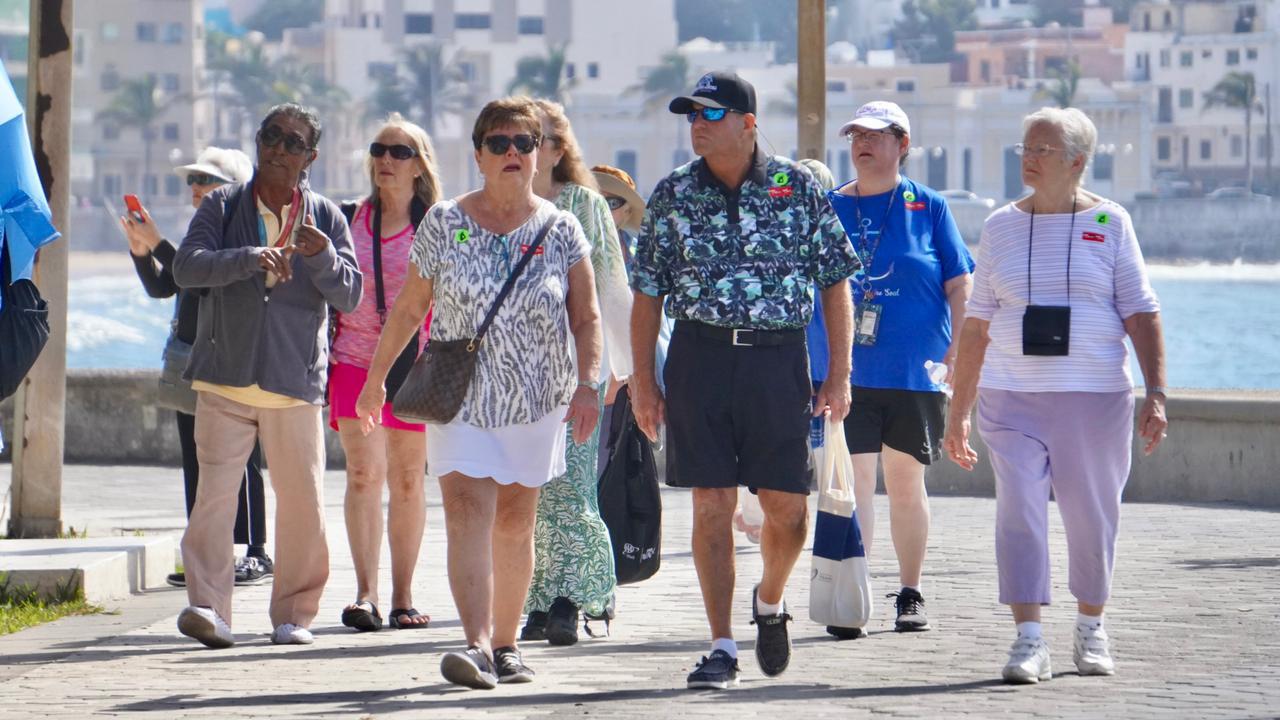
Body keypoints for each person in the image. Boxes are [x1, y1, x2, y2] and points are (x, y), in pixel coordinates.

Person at [355, 96, 602, 689]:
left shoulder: (562, 227)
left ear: (540, 154)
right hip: (459, 396)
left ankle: (508, 643)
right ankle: (475, 646)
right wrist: (373, 381)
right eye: (500, 143)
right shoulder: (444, 221)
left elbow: (586, 317)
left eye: (525, 143)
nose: (513, 153)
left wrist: (590, 384)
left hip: (537, 401)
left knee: (515, 524)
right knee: (466, 512)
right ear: (479, 155)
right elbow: (411, 308)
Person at [630, 71, 860, 690]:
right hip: (699, 360)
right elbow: (646, 293)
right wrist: (642, 384)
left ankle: (769, 599)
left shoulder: (797, 187)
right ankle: (722, 645)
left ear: (748, 122)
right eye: (691, 116)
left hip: (777, 362)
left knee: (788, 512)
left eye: (710, 114)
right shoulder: (674, 194)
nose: (697, 126)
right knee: (711, 505)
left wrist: (839, 373)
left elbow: (835, 279)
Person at [942, 107, 1168, 684]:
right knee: (1018, 510)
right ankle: (1028, 638)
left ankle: (1091, 626)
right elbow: (976, 325)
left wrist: (1157, 394)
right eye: (1026, 147)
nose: (1029, 157)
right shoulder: (1000, 227)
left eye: (1043, 149)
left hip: (1093, 398)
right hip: (1010, 394)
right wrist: (957, 410)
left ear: (1077, 162)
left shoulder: (1110, 223)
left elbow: (1142, 313)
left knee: (1092, 519)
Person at [172, 103, 363, 648]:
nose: (279, 148)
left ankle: (295, 615)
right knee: (213, 499)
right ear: (258, 142)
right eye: (271, 136)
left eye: (293, 142)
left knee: (302, 503)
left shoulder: (326, 217)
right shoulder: (223, 206)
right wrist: (251, 257)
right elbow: (187, 267)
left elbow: (350, 292)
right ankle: (209, 609)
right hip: (223, 377)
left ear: (311, 157)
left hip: (294, 384)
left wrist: (323, 257)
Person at [808, 101, 974, 635]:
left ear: (902, 144)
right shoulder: (828, 207)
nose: (863, 142)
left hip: (912, 369)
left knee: (905, 485)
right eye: (856, 133)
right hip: (843, 371)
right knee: (853, 483)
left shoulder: (930, 207)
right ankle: (853, 595)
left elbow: (959, 283)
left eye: (877, 135)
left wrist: (958, 352)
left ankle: (910, 591)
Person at [121, 147, 275, 589]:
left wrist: (158, 244)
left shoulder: (240, 232)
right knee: (196, 459)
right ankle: (207, 555)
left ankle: (257, 552)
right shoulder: (200, 230)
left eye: (205, 180)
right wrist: (140, 252)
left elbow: (204, 276)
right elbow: (166, 284)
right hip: (191, 357)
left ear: (231, 189)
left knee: (244, 457)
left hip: (231, 358)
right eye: (193, 181)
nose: (195, 188)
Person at [520, 99, 633, 646]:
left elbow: (611, 285)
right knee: (529, 491)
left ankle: (574, 596)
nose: (520, 149)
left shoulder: (585, 203)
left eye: (532, 138)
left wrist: (622, 370)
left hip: (577, 370)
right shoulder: (503, 205)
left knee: (571, 487)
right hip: (515, 374)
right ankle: (538, 601)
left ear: (557, 149)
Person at [331, 114, 441, 632]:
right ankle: (365, 594)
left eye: (399, 152)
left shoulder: (438, 225)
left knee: (406, 482)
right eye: (378, 150)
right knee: (362, 475)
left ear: (420, 165)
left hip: (416, 369)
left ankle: (402, 595)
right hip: (354, 362)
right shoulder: (349, 218)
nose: (385, 161)